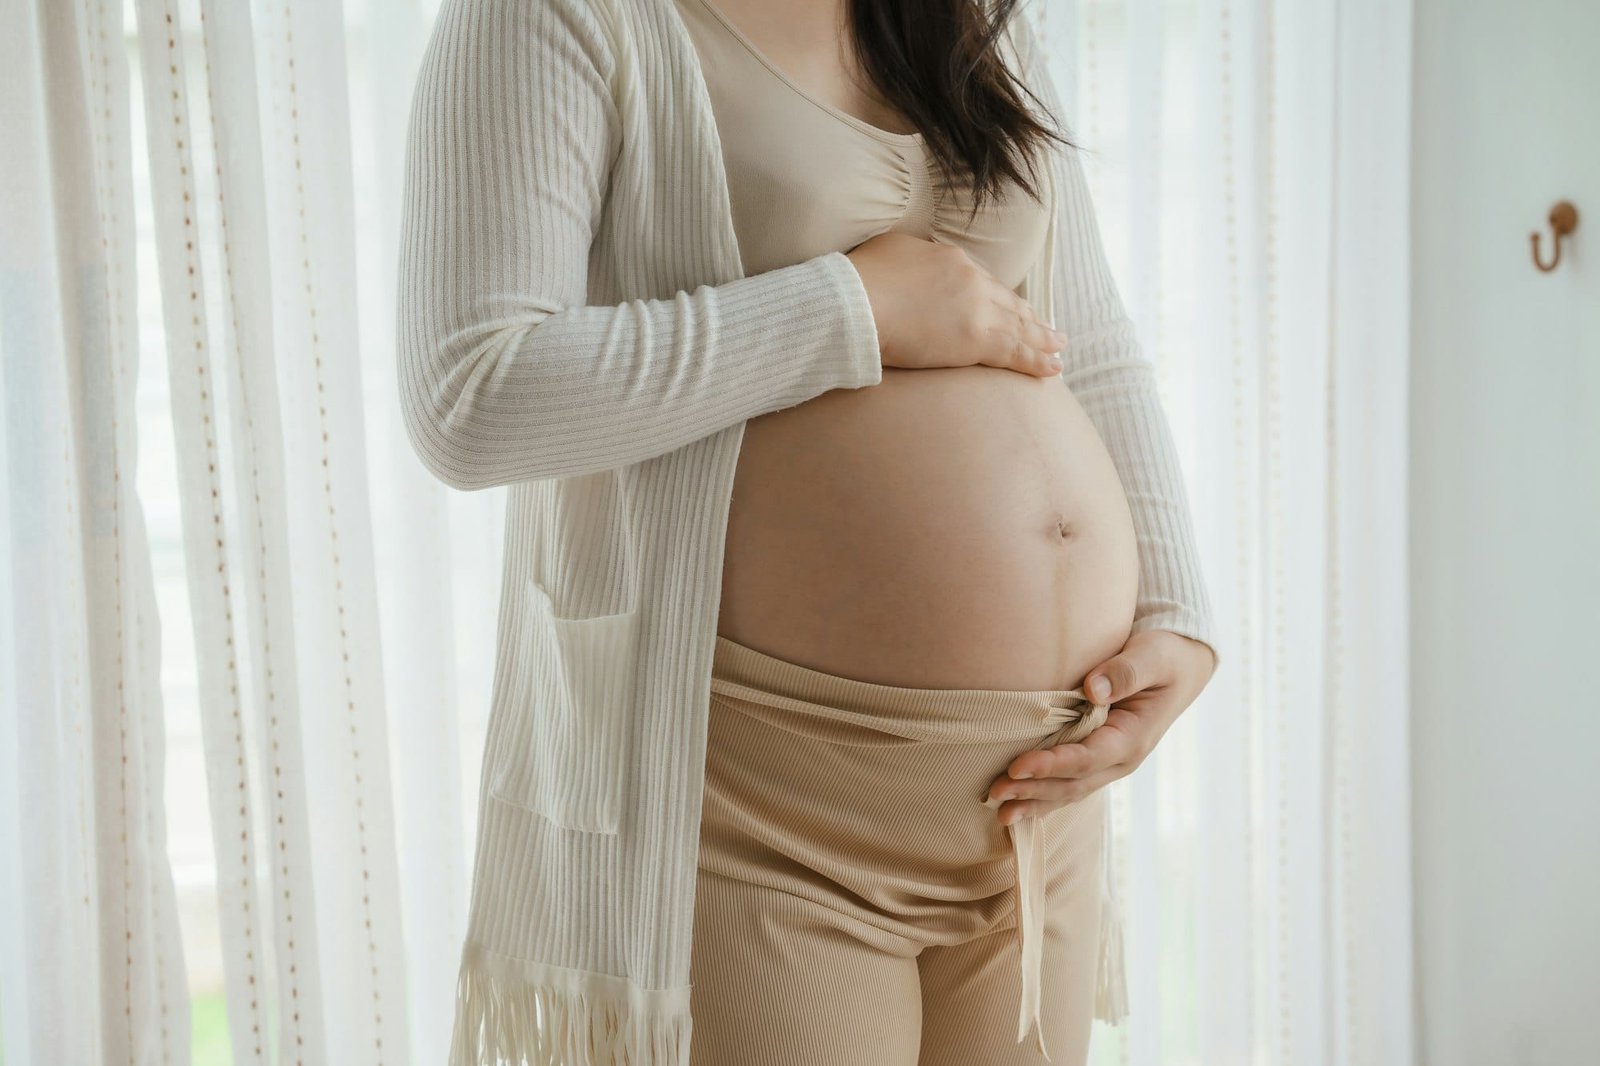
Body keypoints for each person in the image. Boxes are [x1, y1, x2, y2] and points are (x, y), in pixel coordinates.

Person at [396, 0, 1221, 1063]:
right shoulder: (556, 17)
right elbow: (473, 394)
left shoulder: (967, 14)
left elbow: (1085, 337)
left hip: (1036, 792)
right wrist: (849, 310)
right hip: (765, 815)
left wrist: (1176, 613)